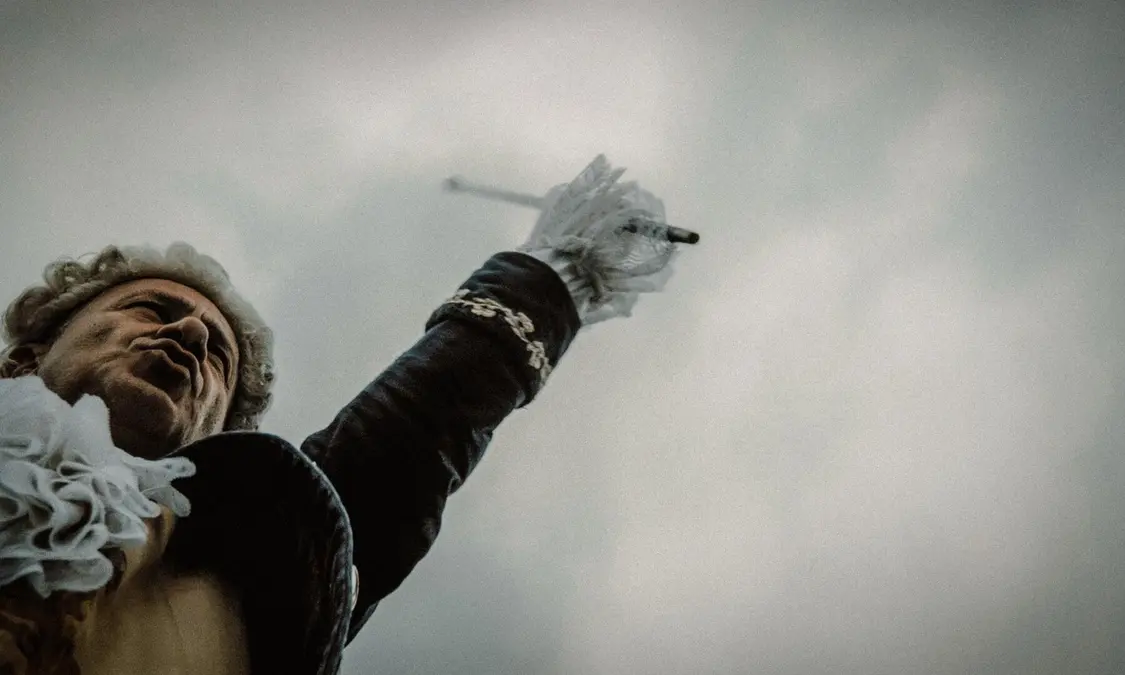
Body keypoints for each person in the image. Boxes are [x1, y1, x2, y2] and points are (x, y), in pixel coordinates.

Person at [0, 155, 696, 675]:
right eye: (151, 310)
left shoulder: (259, 565)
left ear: (215, 440)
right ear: (29, 356)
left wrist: (554, 275)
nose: (188, 335)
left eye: (218, 355)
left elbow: (411, 435)